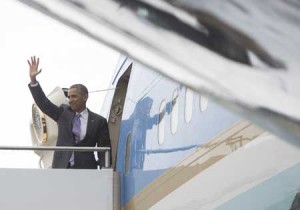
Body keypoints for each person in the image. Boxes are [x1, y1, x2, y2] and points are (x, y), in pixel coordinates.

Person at [27, 56, 111, 169]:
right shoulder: (63, 113)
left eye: (74, 96)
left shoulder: (99, 121)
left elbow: (103, 151)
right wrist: (33, 81)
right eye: (69, 97)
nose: (70, 100)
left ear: (85, 97)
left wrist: (106, 170)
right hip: (61, 169)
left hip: (86, 170)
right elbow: (44, 104)